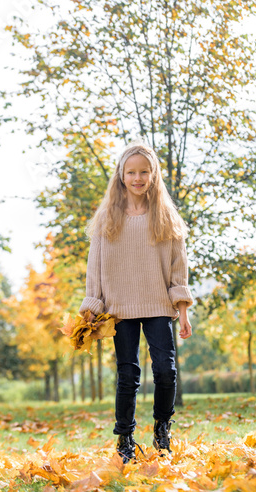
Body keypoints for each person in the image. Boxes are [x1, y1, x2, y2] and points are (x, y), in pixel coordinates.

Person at [79, 140, 194, 463]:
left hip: (158, 305)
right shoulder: (107, 220)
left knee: (166, 372)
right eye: (131, 172)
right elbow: (95, 269)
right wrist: (92, 308)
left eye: (144, 172)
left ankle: (162, 426)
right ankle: (125, 439)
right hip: (119, 308)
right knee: (127, 376)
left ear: (154, 175)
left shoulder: (166, 218)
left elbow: (178, 270)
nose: (138, 178)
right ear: (121, 175)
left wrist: (183, 312)